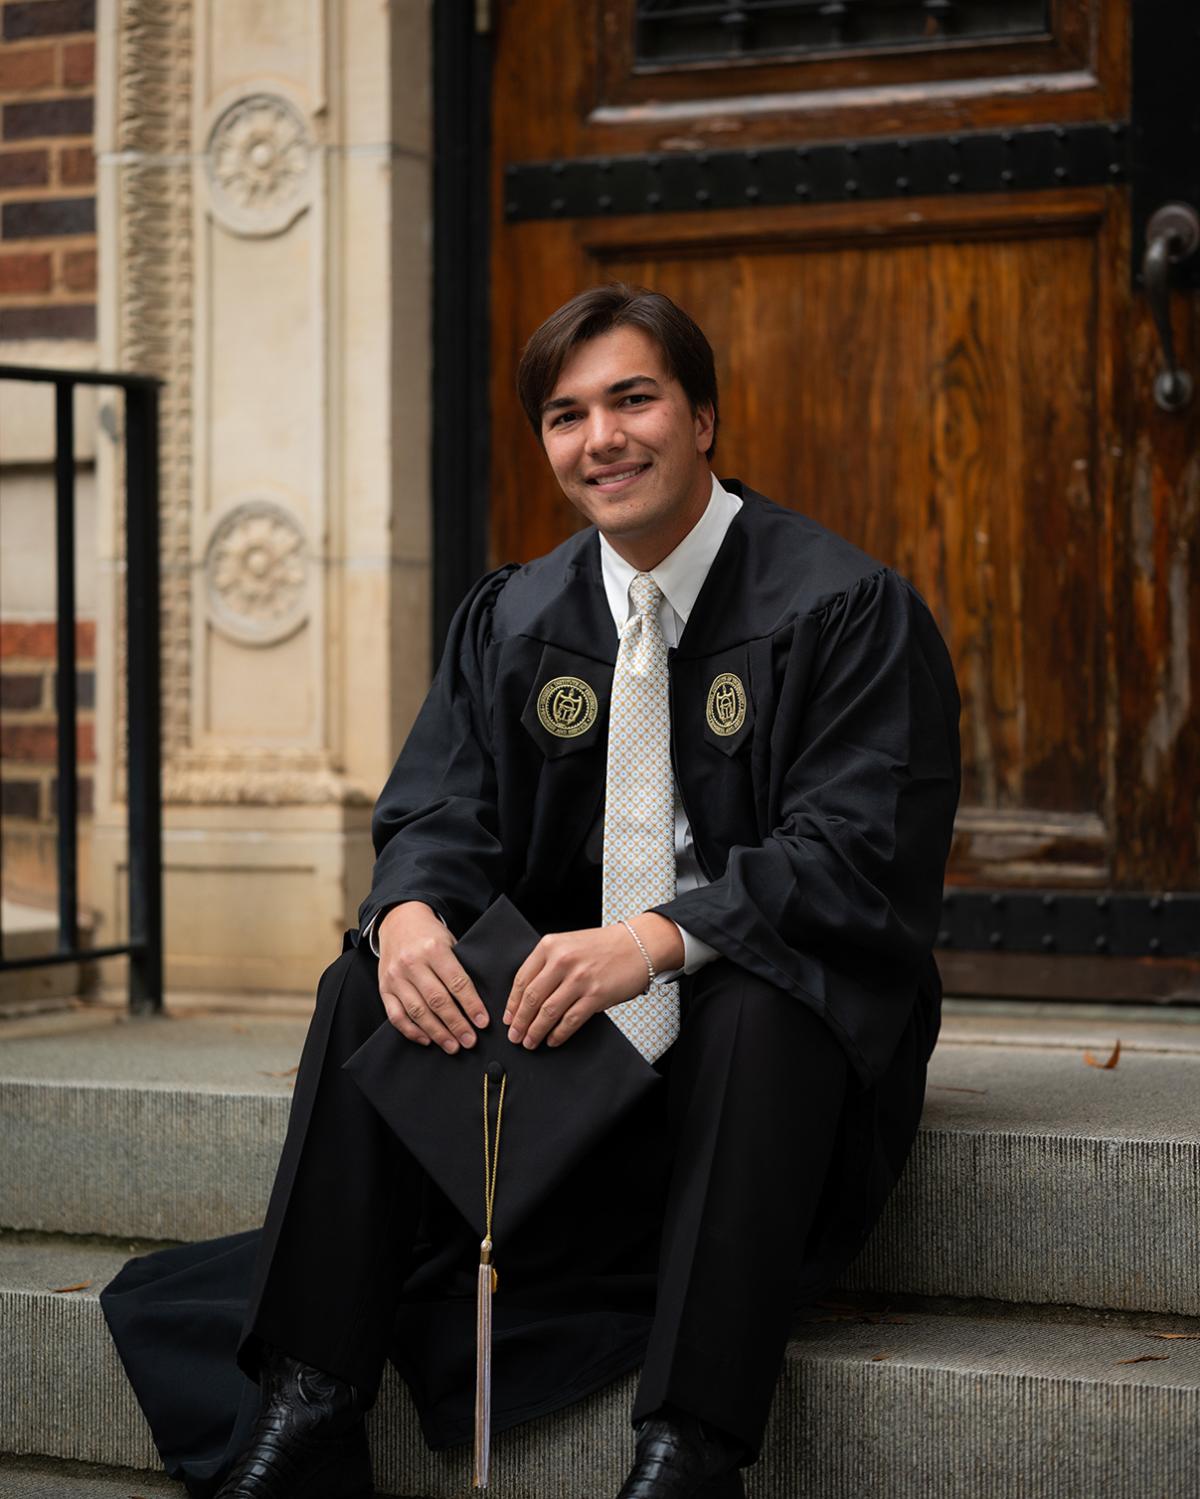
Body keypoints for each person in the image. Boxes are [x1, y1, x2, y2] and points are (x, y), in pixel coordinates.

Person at [103, 284, 961, 1499]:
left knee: (760, 1007)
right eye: (567, 415)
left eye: (632, 399)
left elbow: (860, 853)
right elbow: (440, 810)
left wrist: (659, 939)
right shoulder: (516, 618)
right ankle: (308, 1403)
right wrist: (405, 913)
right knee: (372, 981)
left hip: (760, 1105)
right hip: (564, 1086)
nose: (600, 437)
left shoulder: (841, 607)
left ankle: (689, 1447)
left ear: (703, 417)